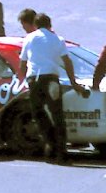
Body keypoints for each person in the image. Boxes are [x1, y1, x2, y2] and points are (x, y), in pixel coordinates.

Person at [19, 13, 89, 163]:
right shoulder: (58, 39)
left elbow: (22, 63)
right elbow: (67, 61)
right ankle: (61, 152)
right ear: (50, 25)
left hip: (35, 80)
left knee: (38, 113)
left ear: (36, 25)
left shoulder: (29, 38)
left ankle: (50, 143)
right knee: (57, 115)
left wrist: (22, 81)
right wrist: (73, 82)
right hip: (51, 80)